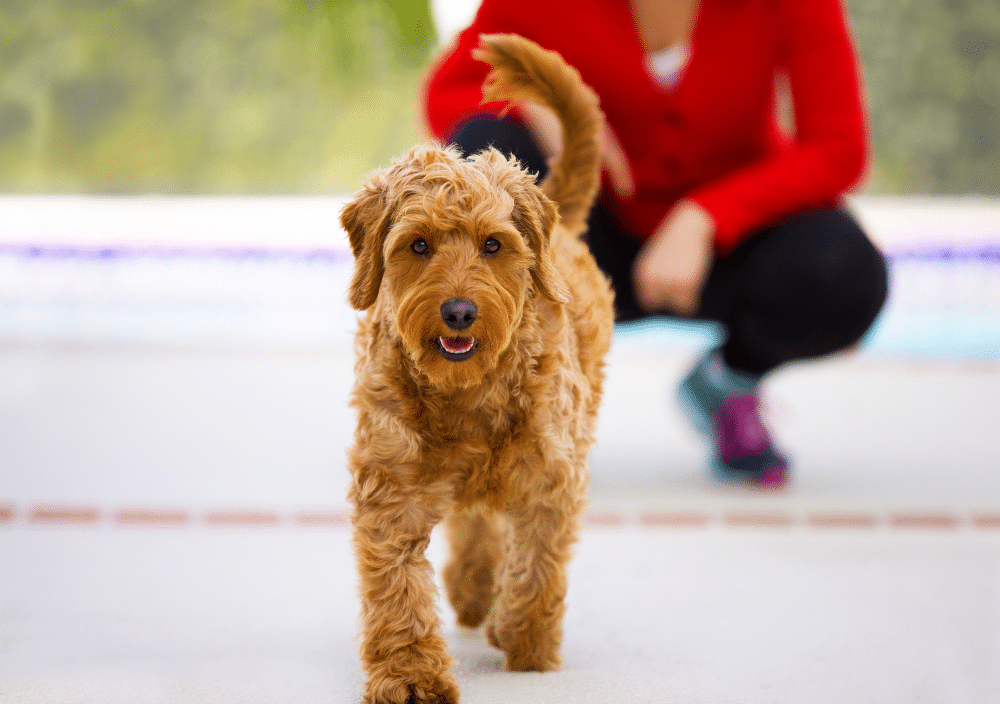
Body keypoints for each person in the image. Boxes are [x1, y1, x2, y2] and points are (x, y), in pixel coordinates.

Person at [421, 0, 889, 488]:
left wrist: (706, 217)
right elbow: (448, 94)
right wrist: (536, 103)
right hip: (587, 242)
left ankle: (728, 383)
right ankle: (525, 407)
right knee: (486, 150)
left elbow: (839, 149)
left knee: (845, 270)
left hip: (730, 246)